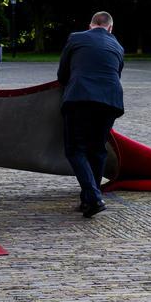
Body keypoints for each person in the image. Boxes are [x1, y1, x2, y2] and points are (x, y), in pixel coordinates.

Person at [56, 11, 125, 218]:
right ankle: (89, 200)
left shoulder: (76, 38)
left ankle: (93, 196)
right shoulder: (118, 46)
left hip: (80, 98)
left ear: (90, 25)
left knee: (75, 149)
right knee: (97, 150)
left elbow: (62, 74)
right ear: (110, 28)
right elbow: (116, 73)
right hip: (111, 101)